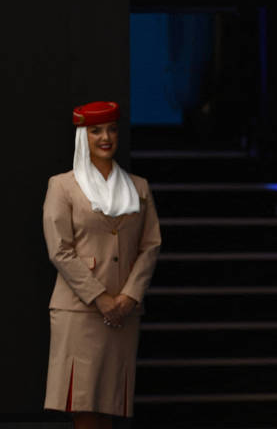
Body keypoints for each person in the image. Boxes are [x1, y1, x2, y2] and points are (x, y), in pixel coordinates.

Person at [43, 101, 162, 429]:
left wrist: (129, 297)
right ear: (84, 136)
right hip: (80, 310)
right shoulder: (63, 185)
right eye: (96, 130)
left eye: (111, 129)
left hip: (124, 310)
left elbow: (150, 246)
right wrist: (101, 298)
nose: (106, 137)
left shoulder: (138, 187)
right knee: (84, 405)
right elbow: (60, 250)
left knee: (109, 405)